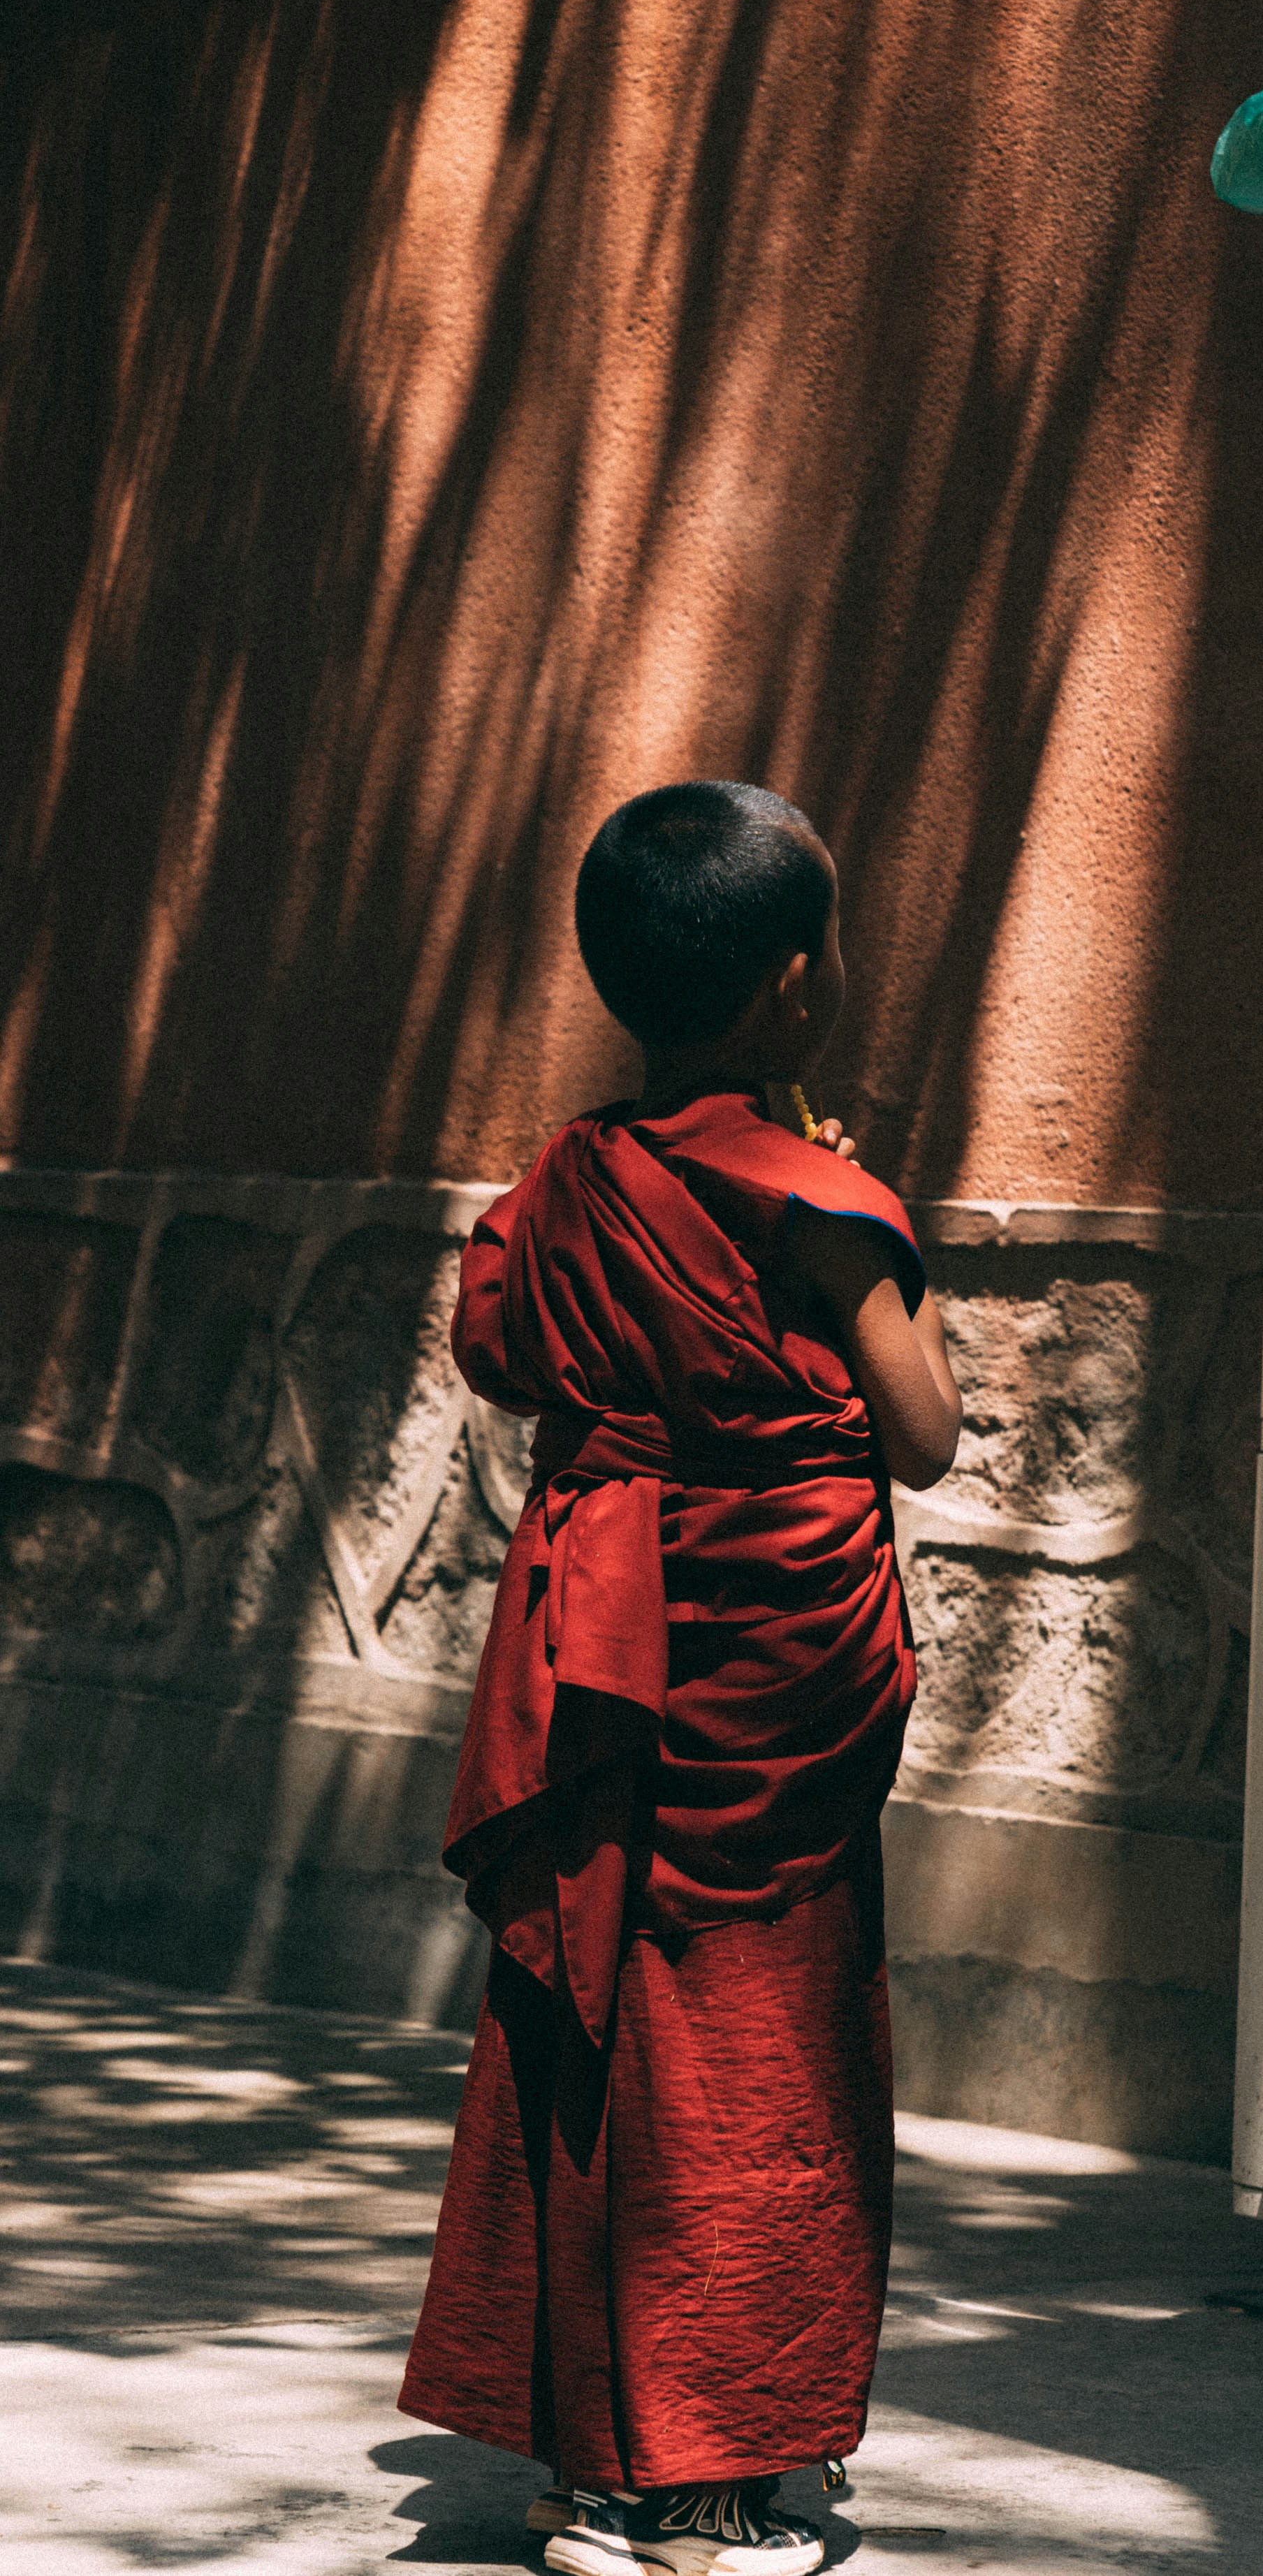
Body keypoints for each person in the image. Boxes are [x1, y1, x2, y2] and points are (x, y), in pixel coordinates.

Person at [398, 780, 962, 2576]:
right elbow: (926, 1432)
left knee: (597, 2014)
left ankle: (586, 2479)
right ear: (794, 984)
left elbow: (498, 1347)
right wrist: (861, 1225)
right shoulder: (820, 1199)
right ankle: (706, 2501)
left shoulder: (570, 1184)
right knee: (755, 2044)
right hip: (766, 1674)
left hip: (611, 1661)